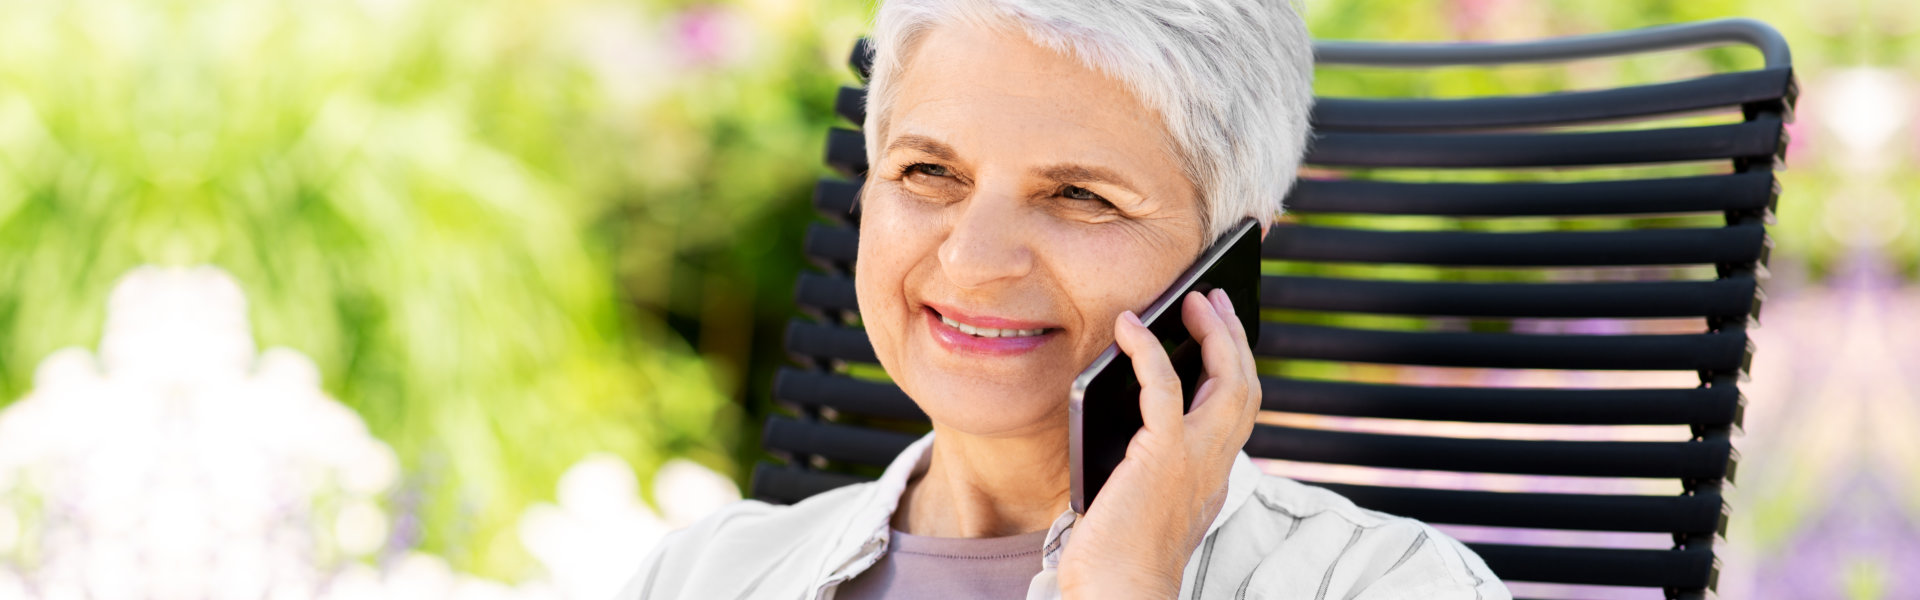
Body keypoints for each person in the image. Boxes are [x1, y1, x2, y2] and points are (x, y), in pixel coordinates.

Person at [624, 0, 1509, 598]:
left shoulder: (1386, 585)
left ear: (1231, 257)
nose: (973, 261)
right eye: (928, 171)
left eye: (1080, 196)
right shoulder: (708, 570)